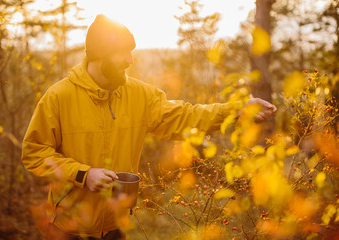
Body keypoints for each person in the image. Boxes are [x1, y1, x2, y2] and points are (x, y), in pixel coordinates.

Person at [21, 14, 277, 240]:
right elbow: (35, 152)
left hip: (116, 227)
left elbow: (186, 116)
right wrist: (83, 174)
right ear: (101, 54)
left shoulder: (139, 95)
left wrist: (235, 110)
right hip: (67, 229)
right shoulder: (59, 97)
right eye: (124, 52)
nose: (130, 60)